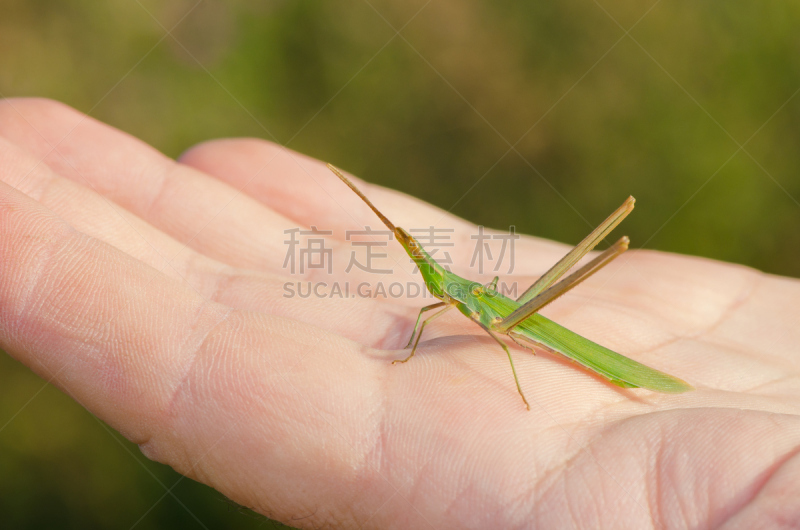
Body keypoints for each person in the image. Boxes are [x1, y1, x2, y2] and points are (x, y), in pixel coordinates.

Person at [0, 98, 796, 529]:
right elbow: (425, 312)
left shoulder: (474, 306)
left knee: (522, 324)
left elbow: (490, 337)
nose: (419, 266)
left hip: (526, 321)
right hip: (500, 310)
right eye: (415, 259)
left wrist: (515, 379)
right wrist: (415, 332)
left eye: (419, 257)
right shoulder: (437, 292)